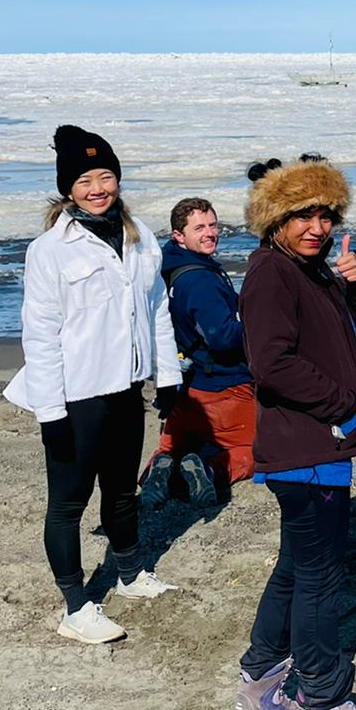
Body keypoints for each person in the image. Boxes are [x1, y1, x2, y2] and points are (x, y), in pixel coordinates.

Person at [227, 155, 356, 710]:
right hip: (309, 445)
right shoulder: (272, 272)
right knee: (321, 579)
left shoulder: (312, 269)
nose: (316, 226)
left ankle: (259, 689)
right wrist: (342, 406)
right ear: (275, 218)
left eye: (325, 214)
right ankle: (322, 705)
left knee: (296, 568)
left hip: (315, 446)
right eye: (302, 215)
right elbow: (270, 364)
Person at [3, 125, 182, 645]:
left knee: (123, 491)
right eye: (85, 179)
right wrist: (51, 414)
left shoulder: (139, 236)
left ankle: (128, 574)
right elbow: (39, 334)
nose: (98, 187)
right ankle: (75, 605)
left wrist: (167, 377)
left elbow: (157, 310)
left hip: (126, 390)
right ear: (68, 188)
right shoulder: (49, 249)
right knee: (68, 503)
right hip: (76, 396)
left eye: (106, 175)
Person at [141, 196, 255, 509]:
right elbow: (223, 339)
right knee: (262, 450)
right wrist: (260, 325)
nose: (210, 232)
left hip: (183, 391)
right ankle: (208, 469)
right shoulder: (201, 281)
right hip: (224, 390)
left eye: (213, 225)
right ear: (179, 235)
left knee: (171, 448)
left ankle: (160, 468)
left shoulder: (167, 267)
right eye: (199, 227)